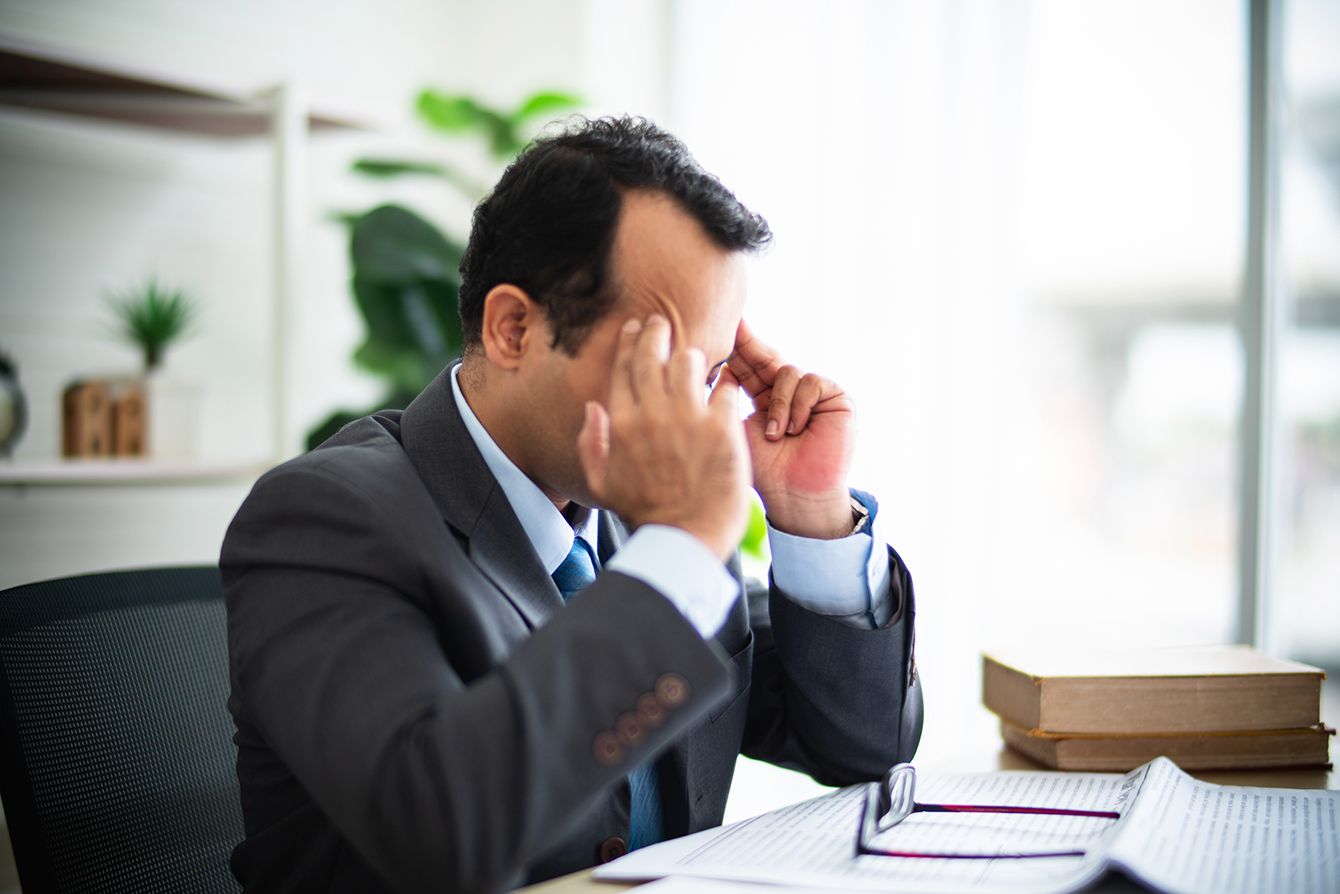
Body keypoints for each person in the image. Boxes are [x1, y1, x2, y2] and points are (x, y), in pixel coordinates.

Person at [220, 116, 922, 894]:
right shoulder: (322, 519)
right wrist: (682, 547)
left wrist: (808, 507)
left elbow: (863, 747)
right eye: (661, 365)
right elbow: (440, 834)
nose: (693, 415)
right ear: (514, 328)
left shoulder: (640, 511)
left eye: (710, 373)